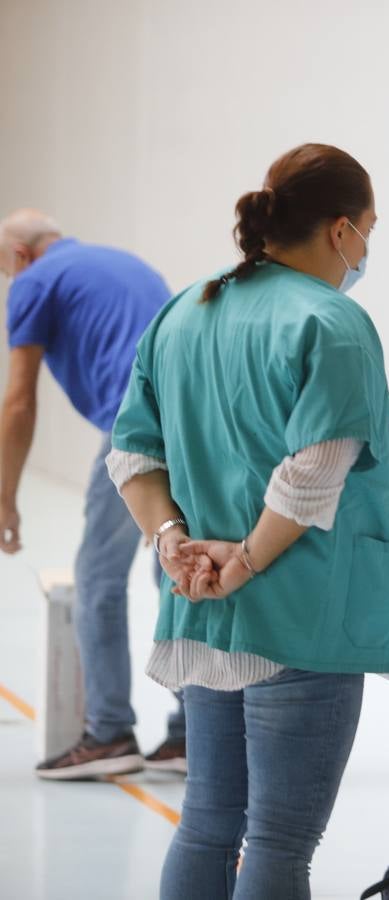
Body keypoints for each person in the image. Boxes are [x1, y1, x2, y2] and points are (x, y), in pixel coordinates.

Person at [107, 143, 389, 899]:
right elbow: (313, 473)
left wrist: (175, 545)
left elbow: (131, 455)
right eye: (369, 228)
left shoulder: (187, 308)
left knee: (208, 822)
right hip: (297, 614)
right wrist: (242, 561)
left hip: (203, 611)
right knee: (279, 841)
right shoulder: (333, 322)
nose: (366, 248)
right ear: (341, 228)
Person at [0, 208, 186, 778]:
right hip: (189, 421)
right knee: (175, 569)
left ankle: (108, 733)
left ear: (18, 255)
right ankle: (192, 735)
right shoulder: (117, 261)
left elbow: (18, 402)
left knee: (99, 579)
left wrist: (6, 500)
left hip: (135, 425)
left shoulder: (33, 281)